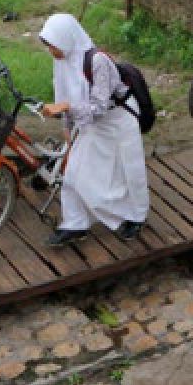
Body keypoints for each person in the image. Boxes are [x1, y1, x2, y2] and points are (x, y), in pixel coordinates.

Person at [39, 14, 148, 247]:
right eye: (49, 46)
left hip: (118, 119)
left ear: (66, 39)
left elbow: (98, 107)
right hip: (90, 122)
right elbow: (63, 95)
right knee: (73, 173)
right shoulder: (63, 61)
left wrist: (67, 108)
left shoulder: (98, 61)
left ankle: (136, 216)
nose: (51, 51)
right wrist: (66, 127)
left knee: (129, 170)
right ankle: (75, 224)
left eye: (53, 45)